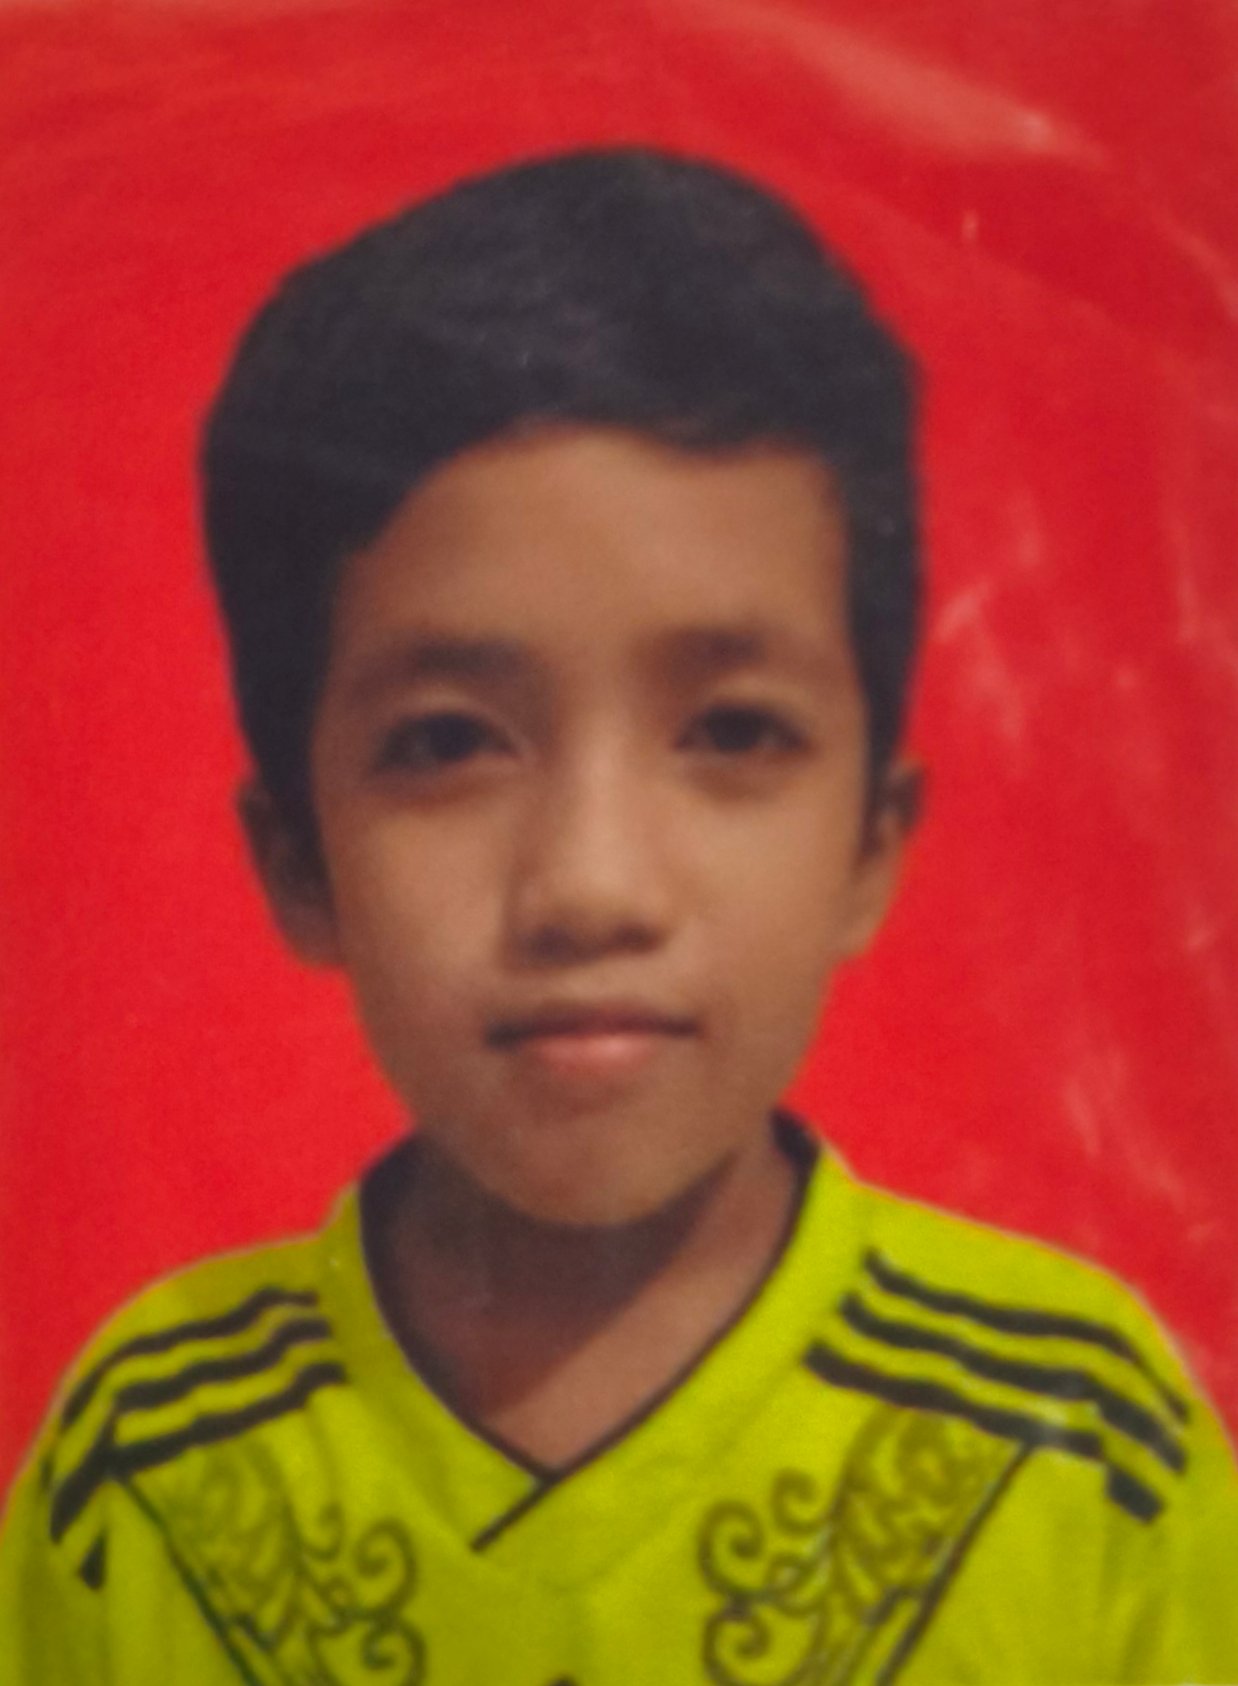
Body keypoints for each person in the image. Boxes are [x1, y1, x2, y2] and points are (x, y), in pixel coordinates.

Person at [1, 147, 1234, 1685]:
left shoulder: (1081, 1451)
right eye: (446, 742)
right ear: (298, 862)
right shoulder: (146, 1473)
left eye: (731, 730)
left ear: (870, 841)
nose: (589, 886)